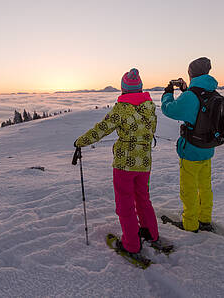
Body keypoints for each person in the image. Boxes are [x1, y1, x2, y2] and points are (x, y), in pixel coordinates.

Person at [74, 68, 159, 257]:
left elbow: (101, 129)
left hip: (124, 164)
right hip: (144, 161)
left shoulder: (121, 109)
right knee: (143, 198)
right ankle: (151, 233)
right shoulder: (150, 107)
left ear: (123, 89)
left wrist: (80, 142)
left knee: (125, 203)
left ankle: (131, 245)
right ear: (140, 87)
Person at [161, 57, 218, 233]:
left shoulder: (191, 96)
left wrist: (168, 93)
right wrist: (187, 90)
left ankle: (191, 224)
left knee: (189, 190)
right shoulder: (212, 93)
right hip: (207, 149)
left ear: (191, 73)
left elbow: (169, 109)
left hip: (191, 150)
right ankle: (205, 219)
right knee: (205, 187)